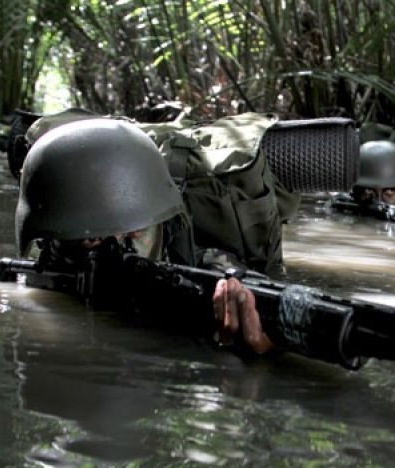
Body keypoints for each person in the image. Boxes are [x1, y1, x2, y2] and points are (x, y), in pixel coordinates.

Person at [15, 117, 273, 354]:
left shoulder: (212, 273)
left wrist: (255, 347)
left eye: (135, 232)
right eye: (90, 239)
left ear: (163, 225)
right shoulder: (44, 270)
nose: (117, 251)